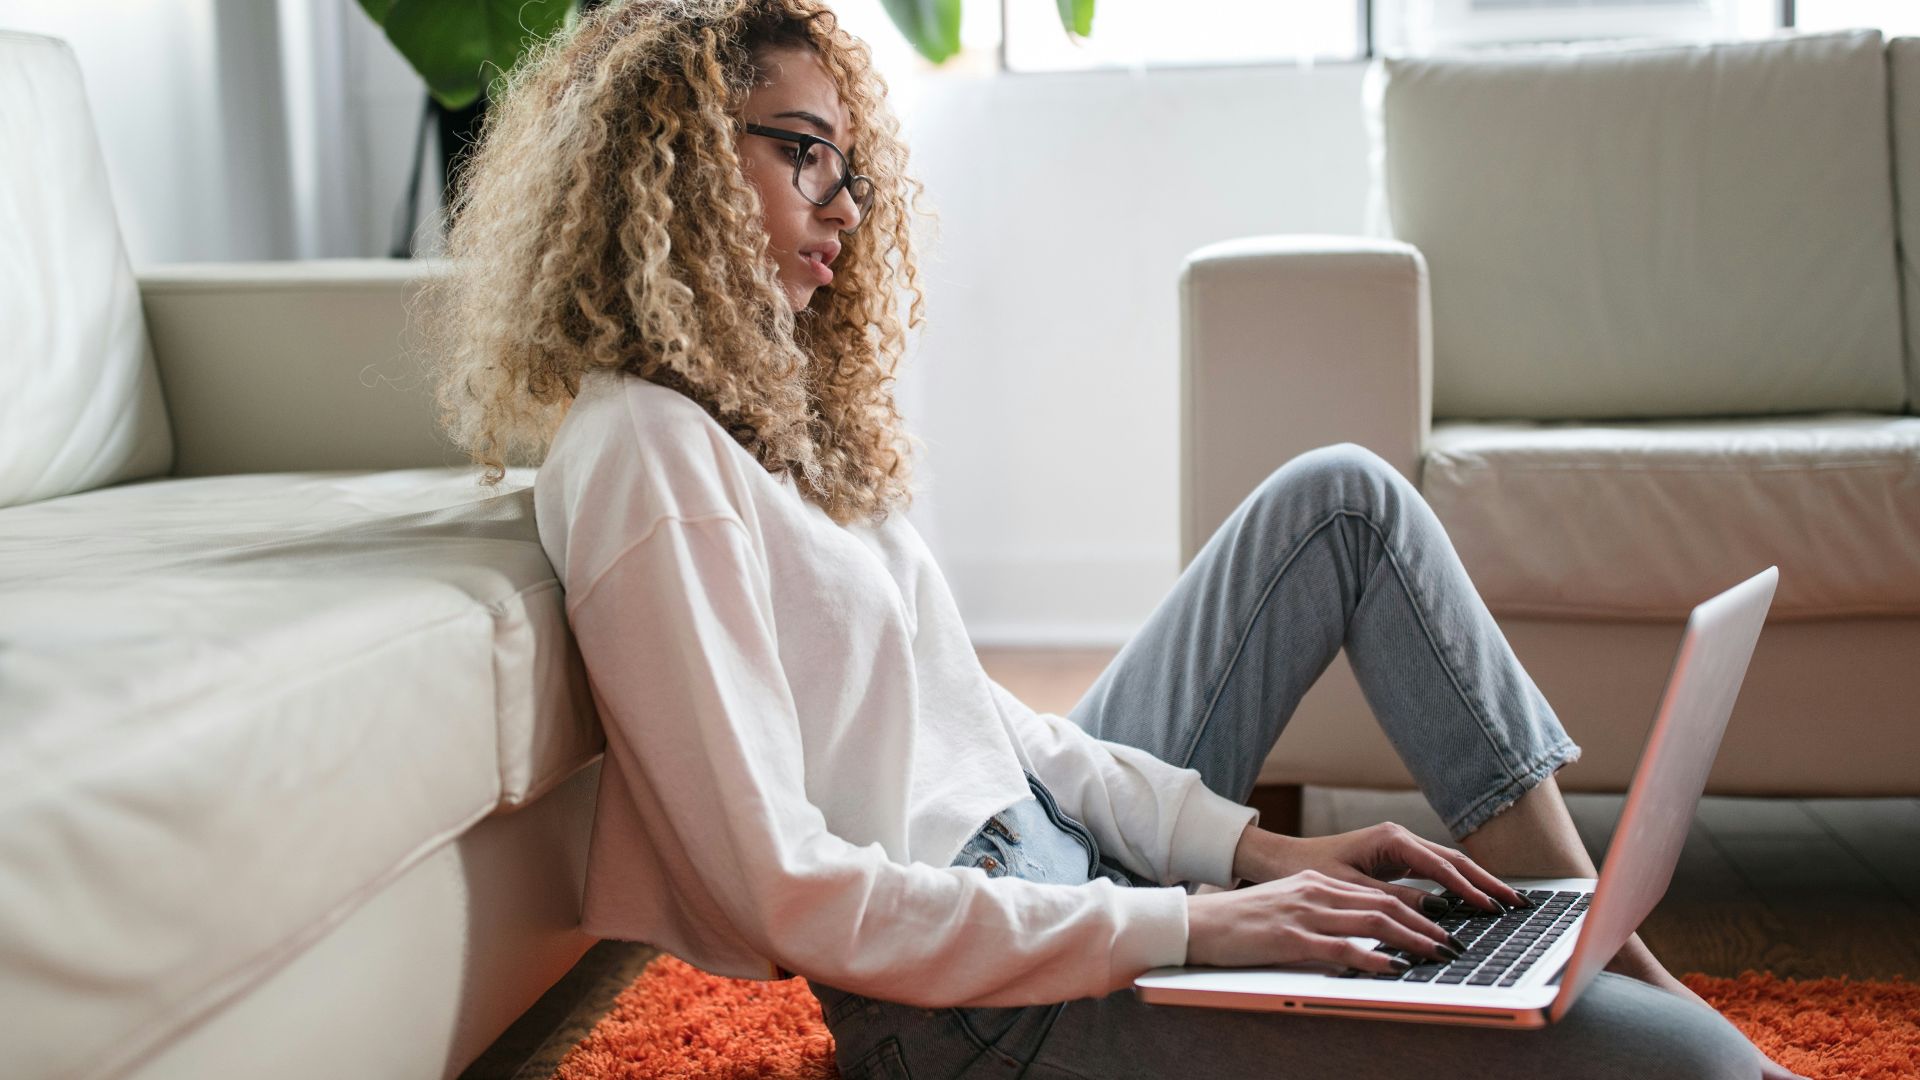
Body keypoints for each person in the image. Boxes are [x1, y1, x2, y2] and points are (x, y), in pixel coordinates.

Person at [414, 1, 1801, 1076]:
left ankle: (1591, 945)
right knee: (1681, 1072)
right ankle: (1620, 1002)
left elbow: (1000, 731)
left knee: (1342, 499)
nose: (845, 204)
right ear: (673, 170)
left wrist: (1248, 856)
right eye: (802, 154)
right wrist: (1197, 923)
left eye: (850, 166)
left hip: (1067, 872)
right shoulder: (642, 457)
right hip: (966, 1015)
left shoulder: (785, 421)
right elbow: (787, 891)